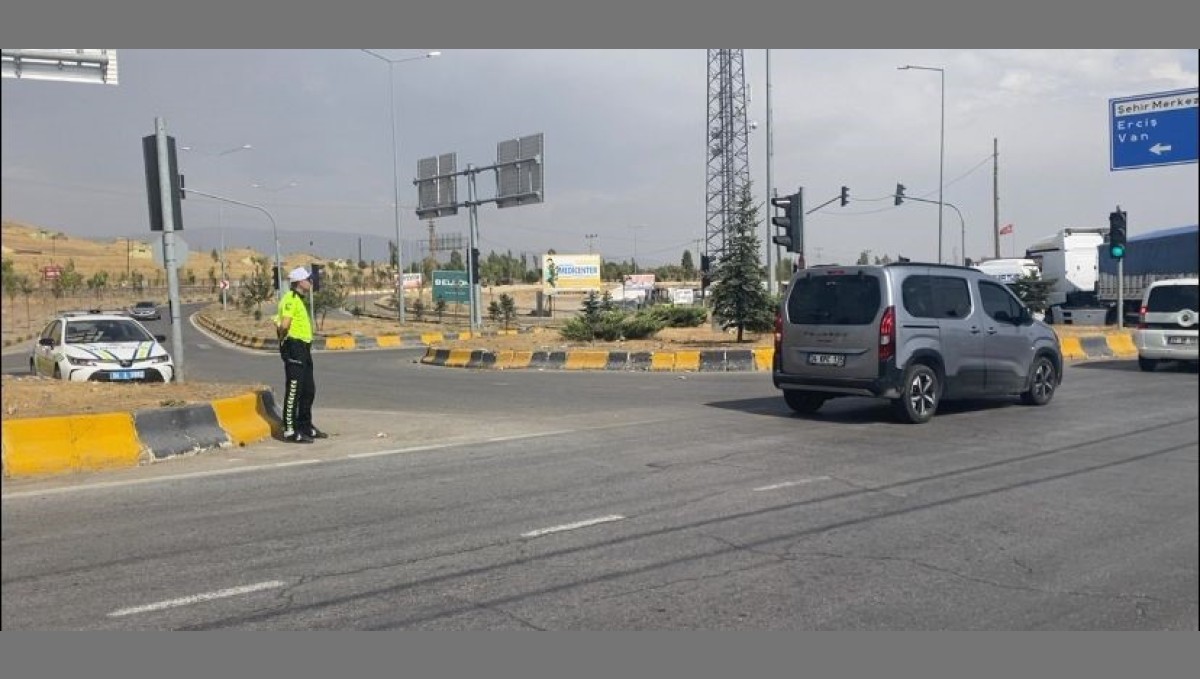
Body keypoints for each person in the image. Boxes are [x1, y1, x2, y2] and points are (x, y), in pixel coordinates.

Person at [274, 266, 327, 443]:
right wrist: (283, 339)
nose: (310, 282)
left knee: (308, 390)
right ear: (299, 282)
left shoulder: (299, 299)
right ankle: (290, 430)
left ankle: (305, 426)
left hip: (304, 347)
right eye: (307, 279)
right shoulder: (290, 299)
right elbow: (285, 323)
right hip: (294, 346)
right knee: (294, 390)